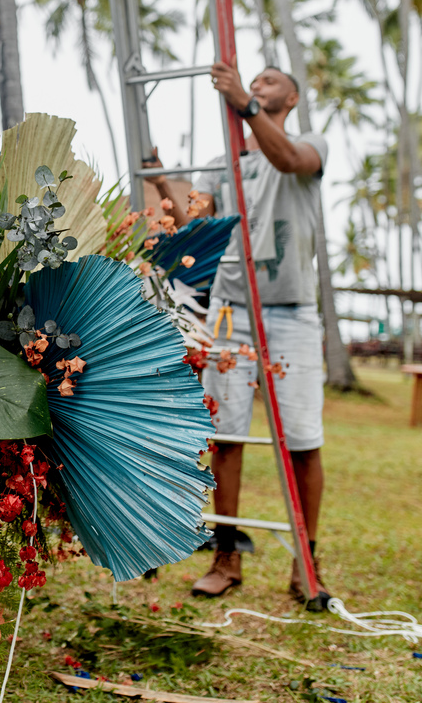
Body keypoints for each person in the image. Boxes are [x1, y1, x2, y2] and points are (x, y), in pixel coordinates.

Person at [148, 62, 331, 609]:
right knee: (227, 435)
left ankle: (306, 564)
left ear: (292, 99)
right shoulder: (220, 165)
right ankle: (225, 557)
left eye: (271, 81)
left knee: (302, 440)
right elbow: (195, 227)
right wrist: (161, 180)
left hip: (291, 312)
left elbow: (289, 158)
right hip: (231, 314)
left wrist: (245, 107)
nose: (258, 84)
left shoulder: (309, 144)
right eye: (255, 81)